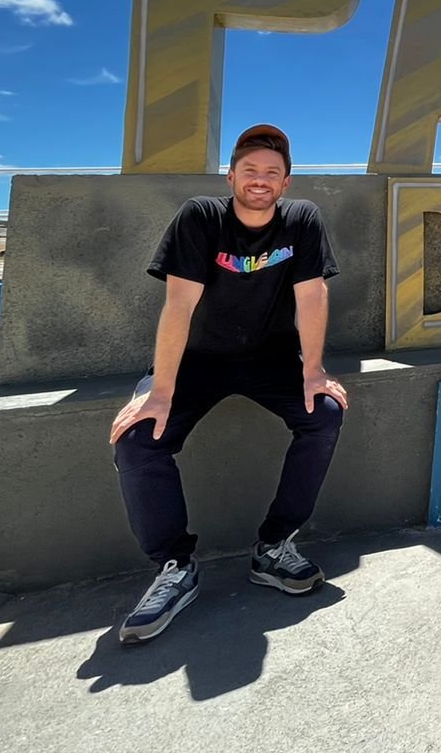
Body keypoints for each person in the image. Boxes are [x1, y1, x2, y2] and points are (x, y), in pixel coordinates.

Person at [108, 123, 349, 645]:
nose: (260, 179)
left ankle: (274, 546)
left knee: (324, 413)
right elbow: (179, 305)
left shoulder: (302, 219)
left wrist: (314, 371)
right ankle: (175, 567)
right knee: (138, 439)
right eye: (250, 169)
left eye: (272, 172)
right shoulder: (200, 216)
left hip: (271, 359)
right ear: (231, 176)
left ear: (286, 182)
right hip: (196, 361)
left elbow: (312, 296)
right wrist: (160, 392)